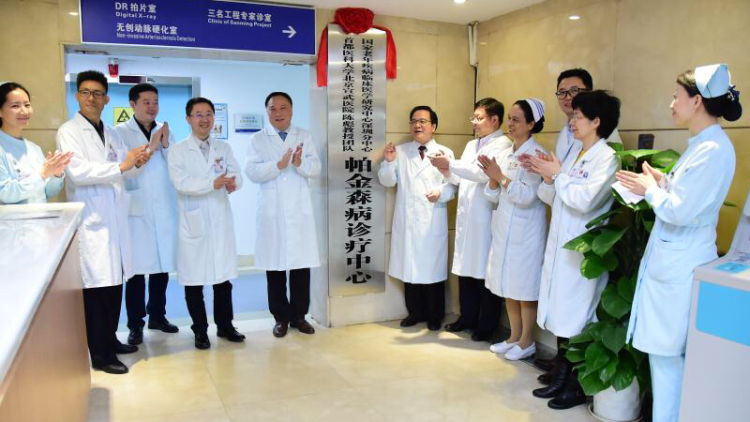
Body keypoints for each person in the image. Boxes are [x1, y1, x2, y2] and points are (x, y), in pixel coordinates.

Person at [618, 64, 741, 422]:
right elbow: (688, 198)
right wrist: (663, 182)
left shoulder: (714, 149)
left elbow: (682, 212)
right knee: (665, 358)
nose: (672, 104)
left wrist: (651, 190)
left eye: (676, 96)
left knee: (668, 359)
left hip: (681, 264)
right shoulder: (703, 146)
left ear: (697, 101)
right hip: (674, 262)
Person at [525, 90, 621, 409]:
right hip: (562, 247)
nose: (572, 121)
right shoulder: (575, 154)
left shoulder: (607, 158)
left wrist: (558, 176)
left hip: (582, 252)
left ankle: (577, 384)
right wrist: (548, 178)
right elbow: (554, 197)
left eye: (578, 116)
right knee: (562, 314)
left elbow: (585, 200)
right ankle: (561, 375)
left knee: (578, 317)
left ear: (597, 121)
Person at [57, 70, 150, 374]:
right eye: (86, 92)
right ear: (77, 96)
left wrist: (138, 163)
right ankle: (100, 355)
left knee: (113, 287)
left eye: (98, 93)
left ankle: (110, 339)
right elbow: (78, 173)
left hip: (114, 222)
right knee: (96, 292)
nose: (92, 98)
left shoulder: (110, 132)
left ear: (106, 99)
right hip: (92, 222)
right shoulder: (69, 131)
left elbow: (125, 168)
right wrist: (122, 166)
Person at [428, 98, 512, 341]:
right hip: (467, 215)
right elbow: (460, 177)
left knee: (484, 272)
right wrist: (445, 168)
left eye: (479, 117)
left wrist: (451, 164)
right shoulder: (470, 145)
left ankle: (486, 325)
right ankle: (467, 318)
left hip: (485, 216)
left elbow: (481, 174)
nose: (473, 122)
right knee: (465, 269)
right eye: (473, 117)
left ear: (494, 120)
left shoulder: (503, 145)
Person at [168, 97, 245, 349]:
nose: (204, 119)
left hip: (219, 219)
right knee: (194, 282)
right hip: (194, 221)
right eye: (198, 114)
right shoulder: (178, 150)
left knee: (223, 280)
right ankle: (200, 330)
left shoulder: (223, 148)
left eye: (209, 114)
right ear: (188, 119)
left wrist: (233, 183)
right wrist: (212, 183)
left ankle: (225, 326)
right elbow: (181, 183)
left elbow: (237, 174)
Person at [245, 92, 321, 338]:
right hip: (273, 212)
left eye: (283, 107)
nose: (278, 113)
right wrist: (277, 165)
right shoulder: (258, 139)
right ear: (267, 111)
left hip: (298, 211)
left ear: (291, 110)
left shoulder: (304, 136)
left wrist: (299, 163)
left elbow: (316, 168)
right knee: (275, 269)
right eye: (272, 108)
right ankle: (280, 318)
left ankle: (299, 316)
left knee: (300, 269)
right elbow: (251, 171)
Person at [478, 99, 547, 361]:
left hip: (526, 231)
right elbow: (493, 195)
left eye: (516, 120)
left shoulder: (537, 155)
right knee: (508, 284)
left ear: (531, 124)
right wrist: (493, 180)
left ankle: (527, 340)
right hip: (505, 227)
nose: (510, 124)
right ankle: (513, 336)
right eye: (509, 118)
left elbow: (527, 196)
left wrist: (500, 177)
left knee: (524, 287)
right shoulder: (507, 153)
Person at [378, 106, 456, 331]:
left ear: (434, 126)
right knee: (409, 268)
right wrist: (389, 162)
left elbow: (452, 185)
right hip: (408, 220)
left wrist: (440, 193)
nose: (417, 125)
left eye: (423, 121)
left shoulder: (445, 153)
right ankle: (414, 312)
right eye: (414, 121)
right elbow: (387, 181)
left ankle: (435, 315)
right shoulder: (401, 152)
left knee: (432, 270)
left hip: (432, 218)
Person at [114, 83, 179, 345]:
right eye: (146, 102)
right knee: (137, 272)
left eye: (155, 102)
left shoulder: (165, 131)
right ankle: (135, 324)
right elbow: (124, 170)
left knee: (161, 268)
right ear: (133, 104)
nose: (152, 107)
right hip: (136, 210)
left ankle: (158, 316)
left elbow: (176, 167)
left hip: (162, 209)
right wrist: (151, 148)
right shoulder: (120, 133)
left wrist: (167, 145)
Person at [0, 82, 71, 203]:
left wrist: (55, 174)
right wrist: (43, 174)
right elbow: (5, 193)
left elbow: (48, 192)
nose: (24, 111)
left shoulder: (34, 149)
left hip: (40, 214)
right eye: (15, 106)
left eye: (27, 105)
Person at [554, 68, 621, 164]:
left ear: (589, 93)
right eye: (562, 92)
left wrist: (556, 172)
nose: (567, 97)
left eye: (574, 90)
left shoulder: (602, 131)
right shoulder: (564, 132)